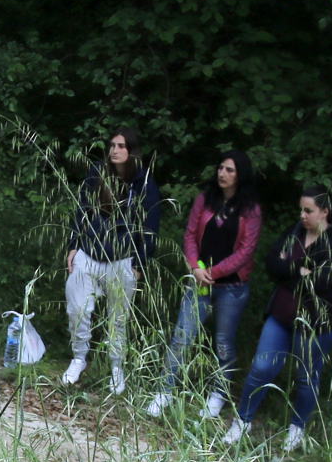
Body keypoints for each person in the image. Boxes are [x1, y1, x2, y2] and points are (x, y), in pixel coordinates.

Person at [220, 186, 332, 453]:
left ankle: (297, 429)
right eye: (301, 209)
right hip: (281, 316)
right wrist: (297, 271)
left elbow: (322, 282)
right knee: (261, 368)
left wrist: (290, 270)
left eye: (308, 210)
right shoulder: (295, 231)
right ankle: (242, 421)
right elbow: (270, 262)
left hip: (315, 325)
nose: (302, 215)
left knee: (306, 377)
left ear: (325, 212)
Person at [147, 152, 261, 419]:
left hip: (231, 286)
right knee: (181, 336)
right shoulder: (204, 198)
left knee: (223, 342)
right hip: (199, 281)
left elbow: (247, 250)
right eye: (220, 168)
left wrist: (214, 271)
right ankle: (165, 390)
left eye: (230, 170)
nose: (223, 174)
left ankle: (218, 394)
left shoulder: (251, 209)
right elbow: (189, 234)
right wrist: (195, 267)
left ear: (240, 174)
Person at [61, 129, 163, 391]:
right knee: (77, 309)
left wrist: (139, 263)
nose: (114, 150)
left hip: (122, 258)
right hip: (90, 252)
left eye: (121, 146)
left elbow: (150, 225)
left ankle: (116, 366)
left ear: (131, 151)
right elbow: (81, 209)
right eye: (112, 145)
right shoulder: (97, 173)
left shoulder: (144, 182)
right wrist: (73, 245)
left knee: (118, 318)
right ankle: (79, 358)